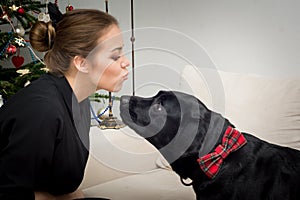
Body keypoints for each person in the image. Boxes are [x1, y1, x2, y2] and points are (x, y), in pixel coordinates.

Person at [0, 9, 130, 200]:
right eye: (115, 56)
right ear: (82, 63)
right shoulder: (42, 110)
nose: (126, 62)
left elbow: (64, 187)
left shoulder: (78, 101)